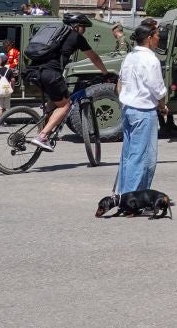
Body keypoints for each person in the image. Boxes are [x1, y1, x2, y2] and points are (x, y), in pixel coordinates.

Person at [28, 13, 110, 151]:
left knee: (54, 102)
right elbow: (94, 58)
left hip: (33, 71)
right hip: (51, 74)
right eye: (83, 27)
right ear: (76, 26)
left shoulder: (53, 33)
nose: (84, 31)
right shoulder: (76, 37)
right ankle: (42, 136)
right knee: (65, 105)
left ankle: (42, 130)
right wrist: (105, 72)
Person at [113, 24, 167, 195]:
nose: (159, 38)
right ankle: (133, 198)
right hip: (143, 111)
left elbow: (120, 84)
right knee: (143, 157)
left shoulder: (129, 56)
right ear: (150, 38)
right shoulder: (151, 60)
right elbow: (157, 88)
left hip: (128, 109)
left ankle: (124, 193)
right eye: (157, 35)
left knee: (129, 155)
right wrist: (163, 106)